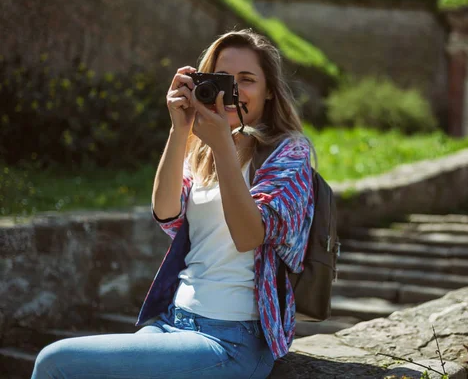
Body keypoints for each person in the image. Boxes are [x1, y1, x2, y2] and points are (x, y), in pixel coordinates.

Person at [31, 29, 315, 379]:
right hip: (173, 319)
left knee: (54, 362)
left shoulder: (290, 152)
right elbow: (166, 213)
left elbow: (249, 235)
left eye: (248, 80)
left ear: (270, 91)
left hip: (234, 340)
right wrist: (178, 130)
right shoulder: (202, 148)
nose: (234, 92)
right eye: (224, 80)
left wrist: (223, 146)